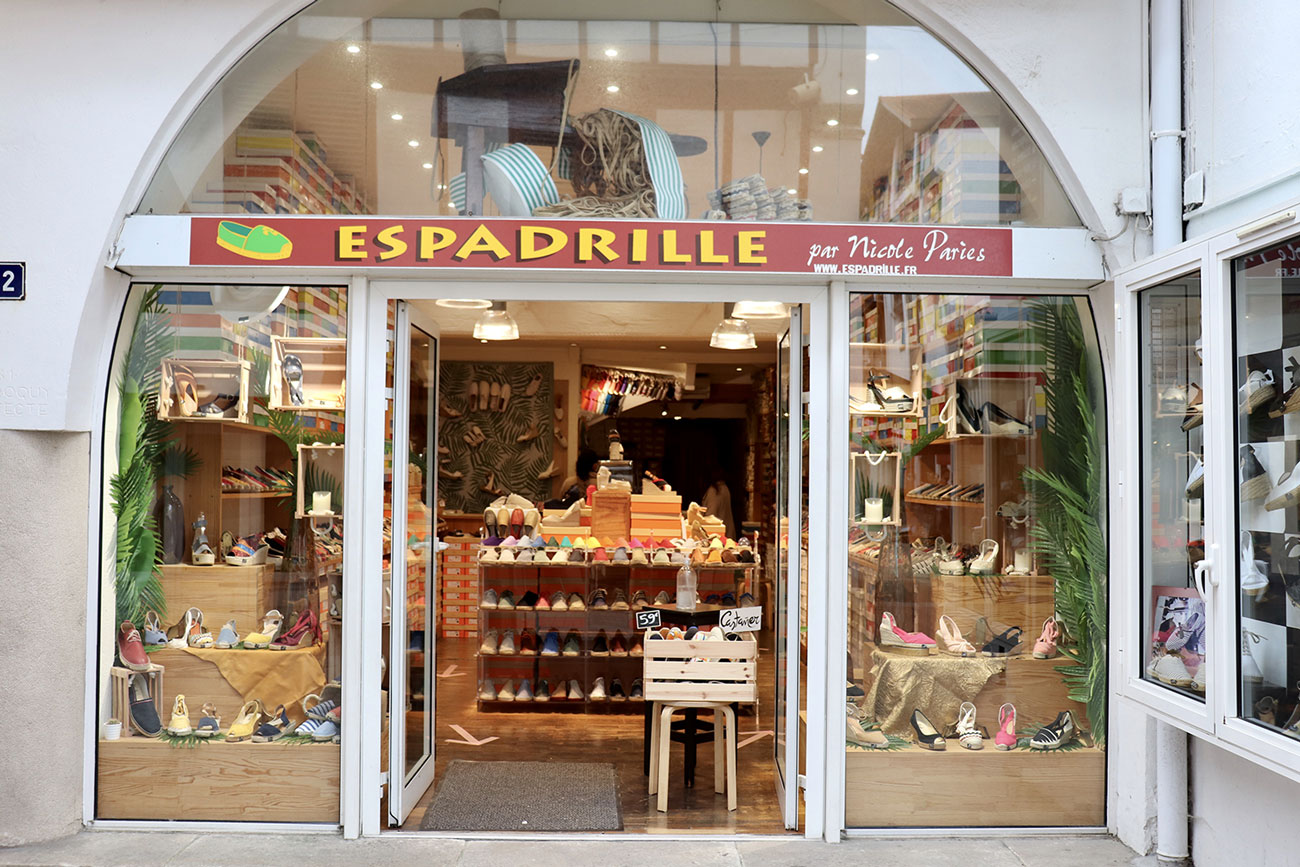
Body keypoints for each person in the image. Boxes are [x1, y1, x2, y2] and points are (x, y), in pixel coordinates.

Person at [701, 470, 736, 540]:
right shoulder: (724, 488)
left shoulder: (714, 492)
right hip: (726, 535)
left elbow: (710, 518)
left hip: (720, 537)